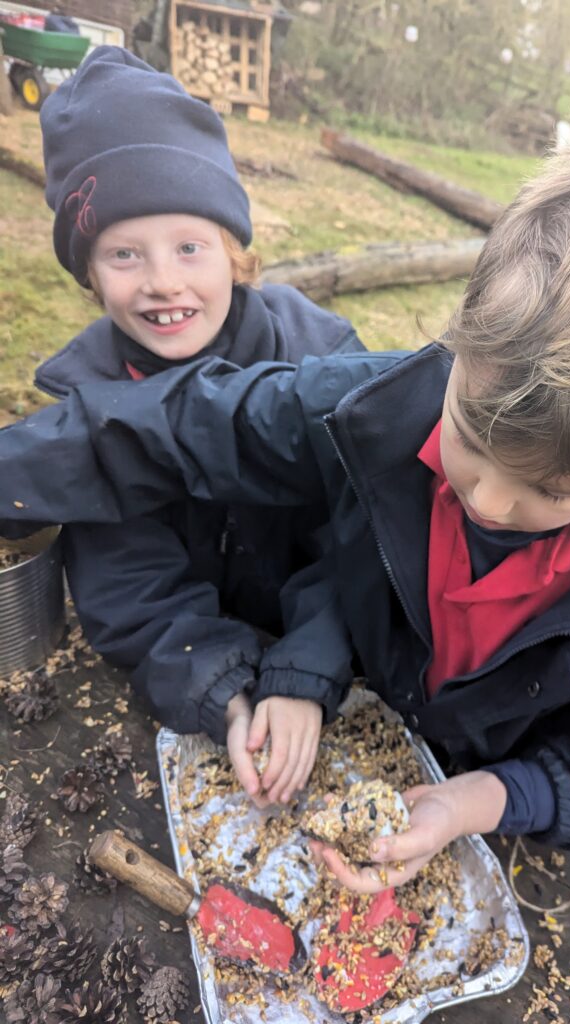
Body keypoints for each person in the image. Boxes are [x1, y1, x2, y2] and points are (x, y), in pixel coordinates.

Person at [1, 90, 570, 887]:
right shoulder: (369, 408)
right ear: (456, 345)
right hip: (356, 730)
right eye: (470, 439)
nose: (489, 502)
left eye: (549, 490)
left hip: (490, 818)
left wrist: (469, 802)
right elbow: (174, 424)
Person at [29, 45, 364, 807]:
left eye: (189, 246)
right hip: (197, 682)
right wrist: (221, 692)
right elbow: (127, 585)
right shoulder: (87, 403)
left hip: (333, 674)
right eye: (122, 253)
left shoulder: (315, 357)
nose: (162, 282)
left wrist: (305, 673)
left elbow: (358, 542)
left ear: (233, 249)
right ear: (87, 271)